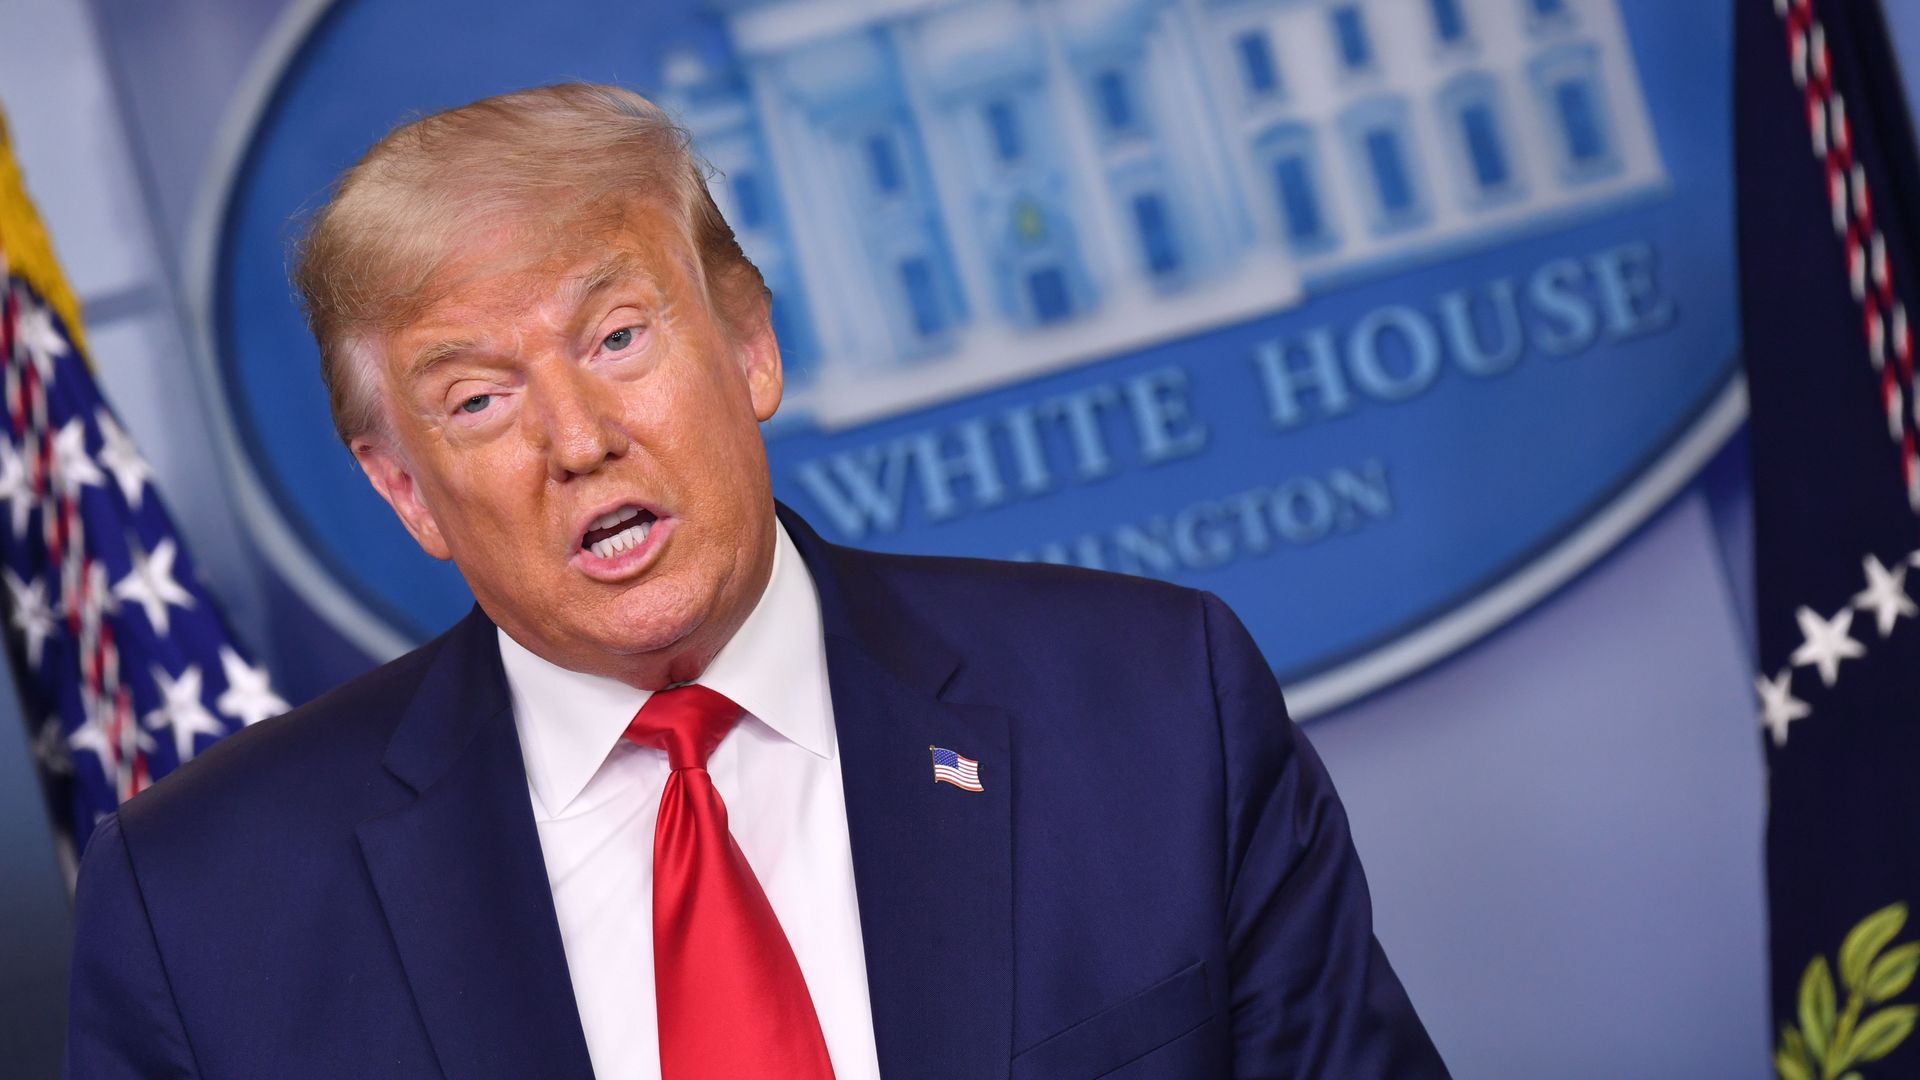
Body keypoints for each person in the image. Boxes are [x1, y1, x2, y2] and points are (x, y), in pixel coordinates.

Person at [65, 84, 1448, 1079]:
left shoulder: (1150, 710)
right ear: (405, 488)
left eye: (617, 335)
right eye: (479, 400)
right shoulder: (203, 906)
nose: (577, 436)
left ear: (750, 350)